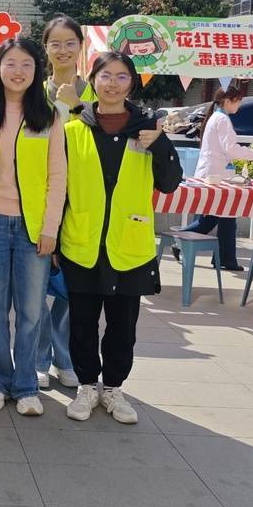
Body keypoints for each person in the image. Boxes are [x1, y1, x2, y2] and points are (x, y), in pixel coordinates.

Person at [61, 52, 182, 425]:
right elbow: (59, 188)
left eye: (121, 76)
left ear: (132, 83)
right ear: (92, 80)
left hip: (129, 244)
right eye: (105, 75)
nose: (112, 83)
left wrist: (160, 144)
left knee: (123, 326)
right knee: (81, 323)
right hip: (82, 241)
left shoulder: (148, 128)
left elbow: (170, 183)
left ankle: (113, 387)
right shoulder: (74, 129)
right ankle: (86, 386)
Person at [0, 35, 67, 416]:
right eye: (11, 63)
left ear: (37, 70)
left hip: (32, 228)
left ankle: (26, 386)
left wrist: (50, 229)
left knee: (31, 310)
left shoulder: (49, 117)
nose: (18, 71)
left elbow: (58, 177)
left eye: (27, 64)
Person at [36, 15, 96, 392]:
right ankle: (38, 359)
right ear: (46, 48)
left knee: (72, 288)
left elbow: (103, 139)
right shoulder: (34, 91)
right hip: (39, 196)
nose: (62, 50)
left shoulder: (94, 91)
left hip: (80, 198)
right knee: (38, 286)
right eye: (55, 43)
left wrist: (78, 107)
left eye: (69, 43)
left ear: (80, 47)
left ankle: (66, 358)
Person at [172, 87, 253, 272]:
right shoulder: (222, 119)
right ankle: (221, 257)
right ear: (227, 101)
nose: (239, 105)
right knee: (224, 216)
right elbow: (231, 149)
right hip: (215, 174)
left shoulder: (216, 117)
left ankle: (220, 257)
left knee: (216, 217)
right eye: (238, 101)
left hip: (213, 172)